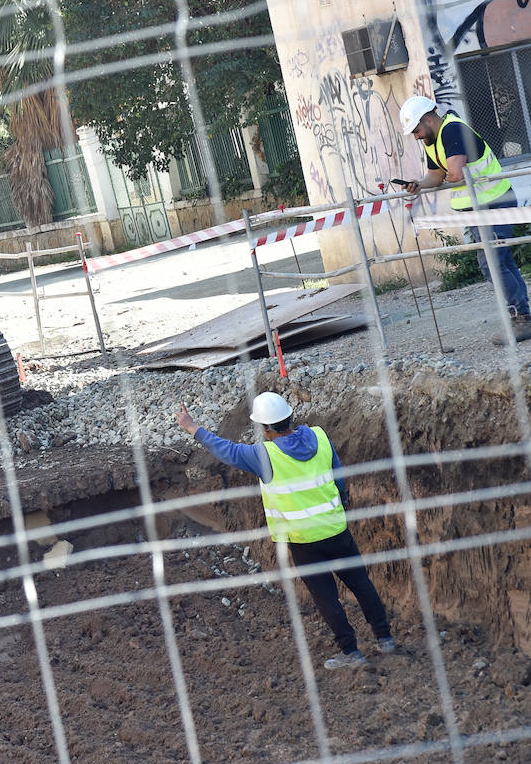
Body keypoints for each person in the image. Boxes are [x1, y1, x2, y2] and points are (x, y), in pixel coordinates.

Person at [175, 392, 395, 670]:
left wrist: (193, 428)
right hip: (336, 530)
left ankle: (351, 652)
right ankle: (385, 638)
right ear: (291, 417)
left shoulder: (264, 455)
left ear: (265, 429)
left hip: (303, 541)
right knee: (361, 584)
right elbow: (339, 481)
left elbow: (226, 451)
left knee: (326, 598)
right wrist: (341, 510)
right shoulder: (321, 436)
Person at [400, 95, 531, 345]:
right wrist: (418, 184)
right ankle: (523, 316)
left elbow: (455, 172)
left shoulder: (453, 130)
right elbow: (437, 176)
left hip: (494, 202)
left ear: (428, 119)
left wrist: (448, 174)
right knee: (500, 262)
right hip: (478, 209)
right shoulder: (433, 139)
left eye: (416, 130)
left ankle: (522, 318)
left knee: (491, 262)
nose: (416, 136)